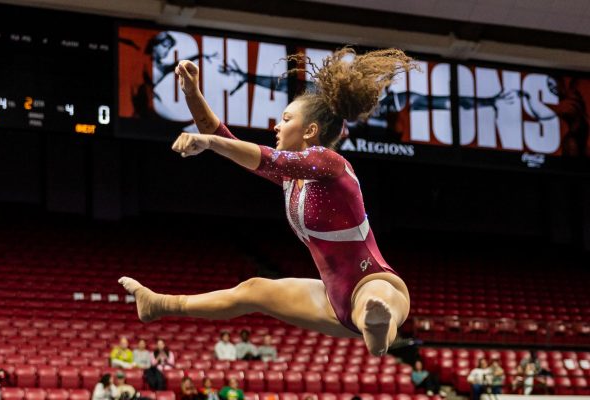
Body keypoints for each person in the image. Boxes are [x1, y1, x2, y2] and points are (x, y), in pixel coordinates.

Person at [119, 47, 414, 357]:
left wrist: (207, 143)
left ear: (310, 130)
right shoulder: (293, 181)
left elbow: (260, 156)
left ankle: (378, 330)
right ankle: (158, 304)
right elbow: (222, 138)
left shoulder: (330, 163)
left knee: (374, 299)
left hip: (375, 280)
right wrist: (192, 92)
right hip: (332, 301)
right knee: (254, 290)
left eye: (286, 119)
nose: (277, 125)